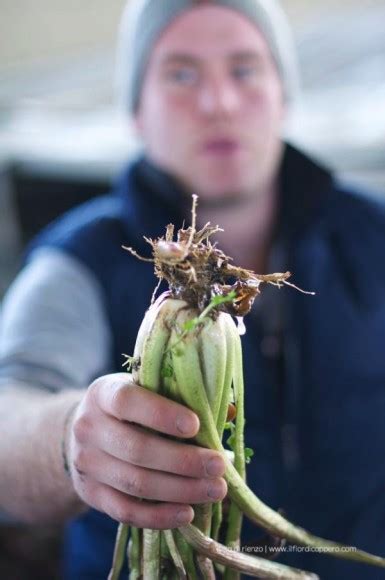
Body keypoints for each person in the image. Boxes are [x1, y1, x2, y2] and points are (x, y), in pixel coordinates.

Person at [1, 0, 385, 578]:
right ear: (136, 111)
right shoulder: (76, 259)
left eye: (245, 69)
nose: (219, 103)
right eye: (181, 74)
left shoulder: (373, 235)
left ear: (283, 93)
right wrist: (68, 440)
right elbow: (11, 413)